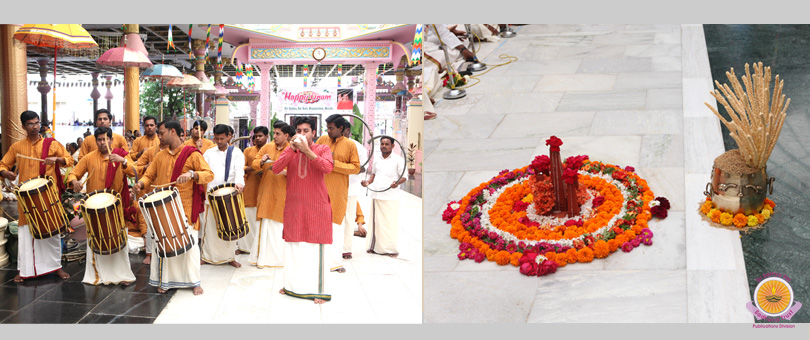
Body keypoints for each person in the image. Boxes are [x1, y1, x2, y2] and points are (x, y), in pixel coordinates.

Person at [135, 119, 213, 295]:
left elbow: (209, 174)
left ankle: (194, 282)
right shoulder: (160, 156)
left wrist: (192, 174)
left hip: (185, 209)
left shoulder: (192, 154)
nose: (158, 136)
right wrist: (140, 184)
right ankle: (166, 281)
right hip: (164, 210)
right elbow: (149, 175)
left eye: (161, 133)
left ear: (172, 132)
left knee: (190, 247)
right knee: (163, 245)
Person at [0, 111, 73, 282]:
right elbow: (3, 164)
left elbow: (69, 160)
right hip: (27, 198)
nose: (35, 127)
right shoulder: (17, 147)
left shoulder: (51, 143)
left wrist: (56, 159)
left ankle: (56, 267)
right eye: (31, 124)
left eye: (37, 123)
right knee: (26, 233)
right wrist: (6, 173)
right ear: (24, 126)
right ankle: (24, 270)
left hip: (48, 195)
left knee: (52, 232)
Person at [67, 126, 136, 285]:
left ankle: (123, 275)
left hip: (116, 207)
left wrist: (123, 161)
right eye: (99, 140)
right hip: (94, 210)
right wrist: (74, 182)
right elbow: (73, 173)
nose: (103, 142)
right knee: (96, 241)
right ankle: (96, 276)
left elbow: (135, 171)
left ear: (111, 140)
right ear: (95, 141)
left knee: (119, 241)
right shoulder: (89, 157)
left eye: (106, 139)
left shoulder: (120, 155)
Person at [275, 117, 333, 304]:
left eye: (306, 131)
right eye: (298, 131)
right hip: (294, 207)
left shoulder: (322, 149)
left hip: (317, 207)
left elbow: (327, 168)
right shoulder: (290, 150)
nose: (301, 134)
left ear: (314, 133)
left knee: (315, 249)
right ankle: (292, 286)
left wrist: (307, 151)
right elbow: (276, 168)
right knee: (294, 248)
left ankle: (320, 292)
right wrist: (292, 149)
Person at [315, 114, 360, 273]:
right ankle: (317, 261)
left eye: (331, 128)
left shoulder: (350, 145)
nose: (328, 131)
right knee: (318, 225)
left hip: (338, 191)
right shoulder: (322, 140)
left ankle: (334, 262)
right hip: (319, 189)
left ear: (341, 129)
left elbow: (355, 167)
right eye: (327, 128)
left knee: (336, 226)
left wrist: (335, 164)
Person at [200, 124, 245, 268]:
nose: (218, 141)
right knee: (211, 227)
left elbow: (239, 170)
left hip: (229, 195)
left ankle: (230, 257)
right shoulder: (208, 152)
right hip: (211, 194)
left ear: (229, 136)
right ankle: (206, 256)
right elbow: (203, 169)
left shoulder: (237, 153)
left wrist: (239, 183)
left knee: (229, 226)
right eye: (216, 138)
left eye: (222, 138)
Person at [249, 122, 293, 268]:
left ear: (286, 135)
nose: (274, 136)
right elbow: (255, 163)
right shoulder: (267, 147)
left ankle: (280, 260)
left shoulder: (292, 149)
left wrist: (286, 172)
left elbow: (297, 170)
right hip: (267, 190)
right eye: (274, 133)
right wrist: (261, 161)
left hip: (284, 192)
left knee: (280, 225)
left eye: (278, 134)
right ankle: (262, 259)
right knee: (265, 223)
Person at [361, 136, 407, 257]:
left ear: (392, 146)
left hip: (391, 196)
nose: (384, 146)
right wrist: (367, 182)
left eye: (387, 144)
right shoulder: (377, 159)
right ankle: (374, 247)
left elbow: (404, 176)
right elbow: (373, 175)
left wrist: (396, 183)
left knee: (389, 224)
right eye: (382, 144)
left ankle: (391, 249)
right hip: (377, 194)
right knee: (376, 223)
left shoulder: (398, 160)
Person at [422, 24, 476, 120]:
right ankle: (421, 99)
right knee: (443, 57)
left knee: (456, 46)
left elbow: (440, 29)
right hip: (415, 50)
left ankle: (422, 96)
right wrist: (462, 49)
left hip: (425, 44)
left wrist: (450, 31)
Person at [133, 133, 170, 265]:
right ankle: (149, 253)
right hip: (150, 192)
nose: (160, 136)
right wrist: (145, 168)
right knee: (151, 225)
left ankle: (167, 251)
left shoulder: (175, 153)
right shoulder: (151, 152)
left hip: (168, 193)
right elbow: (136, 168)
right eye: (159, 134)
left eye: (162, 133)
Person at [239, 126, 269, 255]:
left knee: (262, 220)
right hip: (250, 189)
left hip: (266, 188)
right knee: (247, 217)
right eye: (256, 136)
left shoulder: (270, 150)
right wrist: (254, 167)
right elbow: (241, 167)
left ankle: (260, 247)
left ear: (267, 136)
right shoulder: (248, 150)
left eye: (260, 136)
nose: (257, 138)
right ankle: (244, 247)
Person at [341, 121, 368, 259]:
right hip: (333, 188)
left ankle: (346, 249)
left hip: (351, 188)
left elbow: (363, 167)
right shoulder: (330, 144)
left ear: (347, 130)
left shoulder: (358, 147)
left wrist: (344, 168)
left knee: (349, 219)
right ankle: (333, 246)